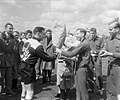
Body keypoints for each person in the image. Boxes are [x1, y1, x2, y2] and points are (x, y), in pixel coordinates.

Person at [19, 26, 57, 100]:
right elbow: (46, 58)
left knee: (24, 90)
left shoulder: (27, 41)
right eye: (43, 34)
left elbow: (21, 52)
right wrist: (55, 55)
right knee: (30, 92)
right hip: (28, 67)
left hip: (22, 65)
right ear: (39, 34)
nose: (44, 36)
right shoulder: (38, 46)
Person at [56, 28, 91, 100]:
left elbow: (71, 54)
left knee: (82, 89)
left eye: (77, 34)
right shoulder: (82, 43)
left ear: (83, 34)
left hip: (82, 68)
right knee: (78, 89)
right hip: (78, 68)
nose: (76, 36)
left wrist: (60, 51)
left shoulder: (84, 44)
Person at [99, 18, 120, 100]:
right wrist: (102, 52)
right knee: (110, 89)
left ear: (117, 29)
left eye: (111, 29)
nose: (109, 31)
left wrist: (110, 54)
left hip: (118, 68)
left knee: (118, 90)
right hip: (110, 67)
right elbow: (105, 49)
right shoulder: (108, 40)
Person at [0, 23, 16, 96]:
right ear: (5, 28)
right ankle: (1, 91)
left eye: (12, 29)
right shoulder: (0, 37)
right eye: (10, 28)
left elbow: (13, 50)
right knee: (1, 77)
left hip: (9, 60)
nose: (11, 30)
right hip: (1, 59)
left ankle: (8, 90)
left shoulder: (13, 38)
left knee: (9, 77)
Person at [88, 28, 104, 94]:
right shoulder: (87, 40)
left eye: (92, 34)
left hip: (97, 58)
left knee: (98, 74)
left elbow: (103, 48)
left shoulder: (100, 40)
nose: (91, 35)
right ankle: (91, 88)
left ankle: (100, 88)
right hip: (90, 58)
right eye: (90, 33)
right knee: (90, 73)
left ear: (95, 33)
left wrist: (97, 52)